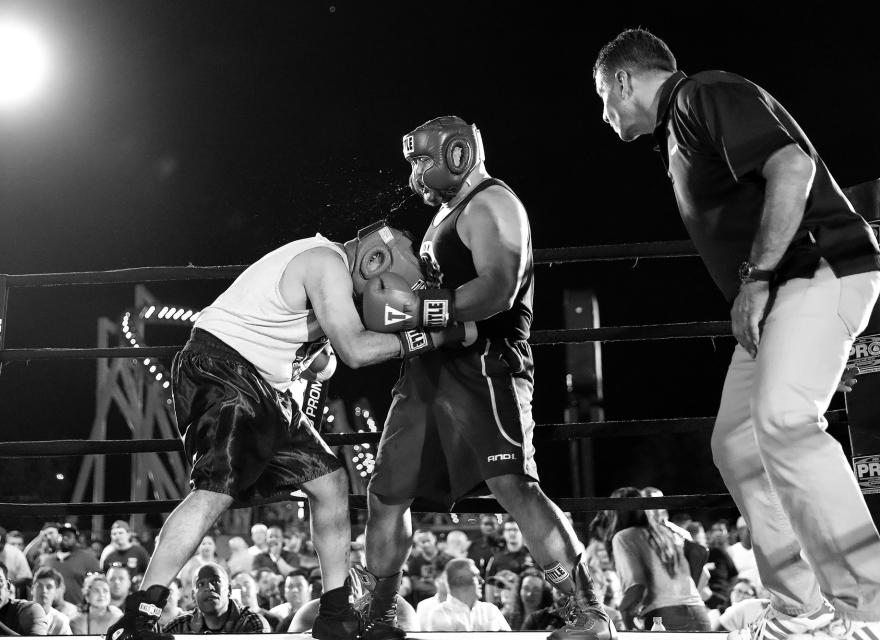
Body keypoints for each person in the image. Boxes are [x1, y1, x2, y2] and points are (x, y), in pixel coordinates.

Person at [593, 27, 880, 639]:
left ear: (623, 78)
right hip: (779, 295)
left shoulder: (702, 93)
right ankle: (801, 611)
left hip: (816, 270)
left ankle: (870, 606)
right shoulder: (679, 127)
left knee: (783, 420)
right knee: (737, 444)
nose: (604, 113)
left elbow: (793, 166)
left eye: (602, 95)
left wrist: (755, 277)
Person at [105, 221, 468, 640]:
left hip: (265, 388)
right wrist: (431, 338)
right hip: (224, 367)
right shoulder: (326, 263)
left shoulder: (333, 283)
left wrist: (318, 348)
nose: (387, 305)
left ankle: (334, 614)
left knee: (329, 483)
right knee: (214, 490)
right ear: (375, 263)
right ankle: (140, 615)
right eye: (389, 291)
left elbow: (327, 361)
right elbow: (354, 351)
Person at [357, 115, 612, 640]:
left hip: (484, 364)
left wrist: (420, 309)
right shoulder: (446, 214)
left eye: (425, 160)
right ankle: (379, 612)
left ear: (456, 153)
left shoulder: (493, 204)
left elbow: (498, 286)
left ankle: (585, 611)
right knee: (386, 492)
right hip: (428, 366)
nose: (419, 174)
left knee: (513, 484)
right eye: (414, 164)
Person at [605, 487, 711, 631]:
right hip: (700, 614)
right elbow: (703, 573)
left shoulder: (624, 538)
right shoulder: (668, 533)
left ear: (614, 514)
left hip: (663, 617)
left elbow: (636, 586)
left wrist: (625, 615)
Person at [163, 564, 267, 634]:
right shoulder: (179, 627)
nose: (209, 588)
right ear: (193, 596)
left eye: (215, 581)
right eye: (200, 584)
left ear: (229, 590)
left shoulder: (251, 622)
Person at [424, 558, 510, 631]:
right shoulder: (439, 614)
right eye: (475, 575)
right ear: (459, 580)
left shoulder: (490, 610)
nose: (482, 581)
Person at [37, 522, 101, 606]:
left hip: (78, 611)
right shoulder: (48, 560)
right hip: (52, 611)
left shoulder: (88, 559)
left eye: (69, 535)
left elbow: (99, 585)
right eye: (62, 535)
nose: (65, 538)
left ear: (76, 538)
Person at [31, 567, 74, 635]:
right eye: (39, 586)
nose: (44, 590)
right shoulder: (21, 613)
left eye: (49, 587)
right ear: (32, 589)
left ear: (55, 592)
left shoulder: (61, 621)